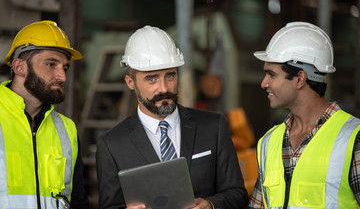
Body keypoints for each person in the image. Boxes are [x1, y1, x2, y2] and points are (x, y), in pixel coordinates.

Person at [96, 25, 248, 209]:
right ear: (130, 82)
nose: (164, 88)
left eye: (170, 75)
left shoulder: (213, 127)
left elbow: (238, 194)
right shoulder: (112, 145)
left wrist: (210, 204)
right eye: (151, 78)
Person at [248, 21, 360, 208]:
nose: (263, 83)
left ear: (300, 79)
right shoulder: (268, 142)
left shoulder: (353, 139)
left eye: (271, 75)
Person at [0, 20, 89, 208]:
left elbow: (78, 202)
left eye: (64, 68)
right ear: (19, 67)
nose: (62, 76)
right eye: (51, 64)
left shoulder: (67, 129)